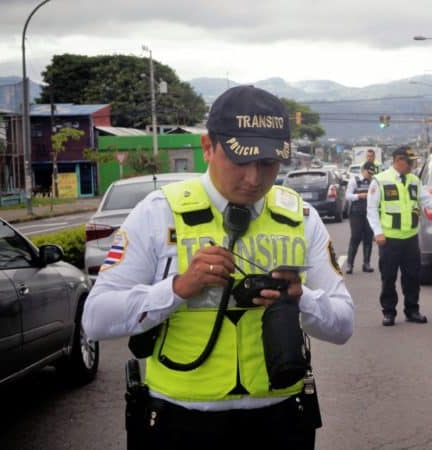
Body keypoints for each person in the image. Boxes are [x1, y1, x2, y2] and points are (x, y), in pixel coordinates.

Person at [82, 85, 354, 449]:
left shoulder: (301, 218)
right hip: (180, 423)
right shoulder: (158, 213)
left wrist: (300, 298)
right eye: (241, 161)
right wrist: (177, 288)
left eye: (268, 163)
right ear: (208, 147)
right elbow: (95, 319)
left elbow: (343, 324)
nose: (254, 178)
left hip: (281, 421)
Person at [366, 146, 432, 326]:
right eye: (410, 162)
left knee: (412, 276)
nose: (412, 165)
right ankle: (389, 312)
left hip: (410, 238)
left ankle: (412, 310)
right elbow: (371, 210)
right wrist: (378, 232)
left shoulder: (413, 180)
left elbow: (426, 200)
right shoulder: (379, 181)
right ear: (399, 160)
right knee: (388, 277)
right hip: (389, 238)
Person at [344, 161, 377, 274]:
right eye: (368, 172)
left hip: (369, 213)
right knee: (356, 237)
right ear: (363, 170)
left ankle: (366, 264)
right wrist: (359, 196)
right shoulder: (354, 181)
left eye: (372, 173)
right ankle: (349, 264)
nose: (370, 175)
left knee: (368, 238)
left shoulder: (374, 181)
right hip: (356, 213)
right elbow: (347, 196)